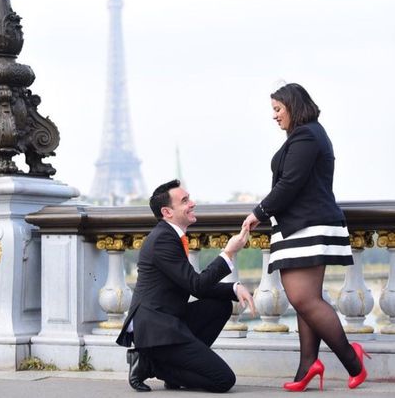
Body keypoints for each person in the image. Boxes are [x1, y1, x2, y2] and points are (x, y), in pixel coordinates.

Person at [242, 83, 370, 392]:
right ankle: (307, 365)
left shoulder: (307, 135)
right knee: (305, 301)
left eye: (277, 109)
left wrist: (258, 211)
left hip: (309, 225)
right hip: (300, 225)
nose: (274, 116)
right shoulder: (307, 135)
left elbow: (291, 183)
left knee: (303, 299)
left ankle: (353, 360)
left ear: (293, 106)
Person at [117, 179, 255, 392]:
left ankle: (174, 370)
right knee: (223, 380)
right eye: (185, 200)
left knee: (221, 305)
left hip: (170, 319)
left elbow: (191, 283)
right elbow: (196, 285)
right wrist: (228, 252)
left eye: (189, 198)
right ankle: (150, 363)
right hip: (157, 329)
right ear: (167, 212)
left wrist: (233, 288)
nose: (192, 203)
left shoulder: (171, 236)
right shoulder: (163, 239)